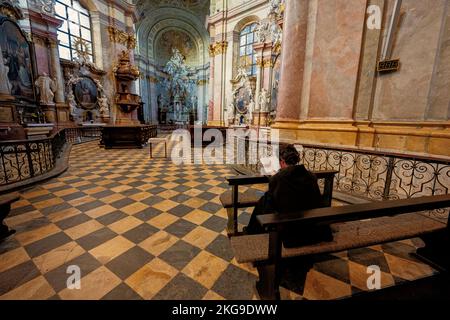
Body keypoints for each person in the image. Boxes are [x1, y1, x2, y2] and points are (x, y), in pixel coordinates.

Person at [245, 144, 332, 247]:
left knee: (264, 201)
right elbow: (317, 200)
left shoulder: (278, 179)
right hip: (312, 229)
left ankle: (252, 231)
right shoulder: (311, 176)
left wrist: (274, 178)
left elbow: (271, 206)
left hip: (291, 233)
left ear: (281, 161)